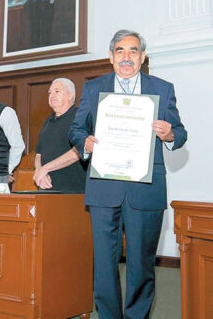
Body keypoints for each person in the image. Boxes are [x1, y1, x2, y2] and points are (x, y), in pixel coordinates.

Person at [69, 29, 187, 319]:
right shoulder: (94, 89)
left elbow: (180, 132)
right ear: (111, 57)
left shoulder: (162, 88)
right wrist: (83, 142)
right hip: (104, 189)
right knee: (104, 265)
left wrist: (170, 133)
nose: (126, 57)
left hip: (145, 191)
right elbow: (76, 128)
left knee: (141, 264)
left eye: (133, 51)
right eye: (120, 51)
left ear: (142, 57)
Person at [34, 78, 86, 193]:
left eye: (57, 91)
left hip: (72, 190)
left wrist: (46, 168)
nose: (52, 95)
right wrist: (40, 172)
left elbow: (77, 152)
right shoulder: (48, 121)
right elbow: (39, 154)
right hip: (46, 188)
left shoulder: (79, 118)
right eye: (50, 92)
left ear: (70, 95)